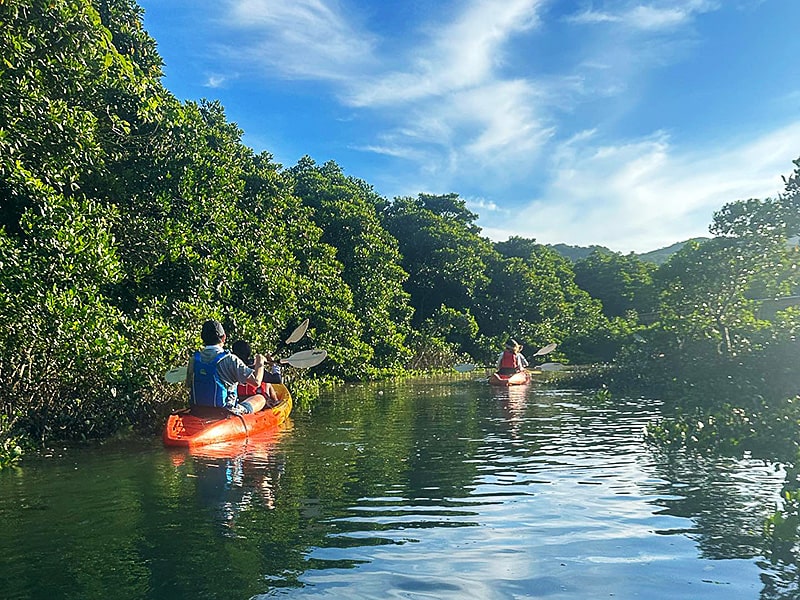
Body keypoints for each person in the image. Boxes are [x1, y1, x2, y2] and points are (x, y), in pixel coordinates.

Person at [186, 320, 275, 415]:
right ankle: (242, 411)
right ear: (224, 338)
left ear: (202, 338)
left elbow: (188, 384)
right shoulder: (230, 359)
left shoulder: (194, 359)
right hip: (224, 411)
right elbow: (256, 382)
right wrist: (260, 362)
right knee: (260, 398)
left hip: (198, 410)